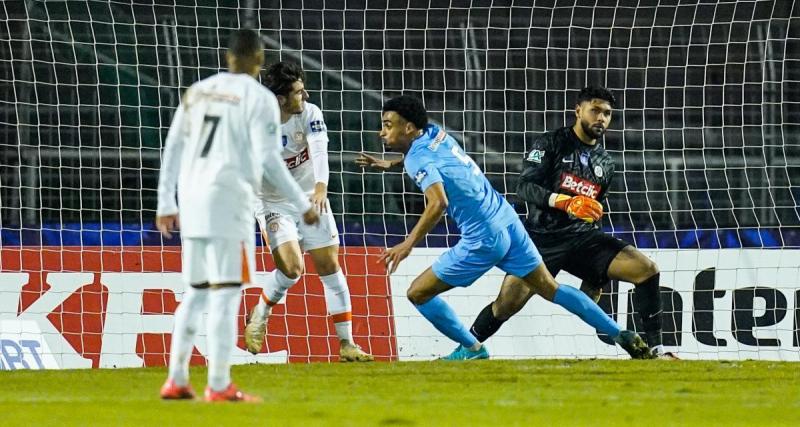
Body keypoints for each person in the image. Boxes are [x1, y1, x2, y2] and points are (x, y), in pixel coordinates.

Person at [355, 95, 652, 361]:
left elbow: (438, 203)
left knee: (417, 293)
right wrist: (389, 163)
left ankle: (472, 349)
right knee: (551, 288)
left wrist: (407, 244)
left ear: (408, 128)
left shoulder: (418, 157)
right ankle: (621, 334)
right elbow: (432, 160)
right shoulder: (434, 132)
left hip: (483, 236)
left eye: (388, 125)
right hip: (507, 219)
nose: (382, 131)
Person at [156, 29, 319, 402]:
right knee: (227, 294)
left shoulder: (197, 91)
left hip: (192, 204)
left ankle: (177, 379)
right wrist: (303, 202)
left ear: (228, 58)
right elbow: (267, 159)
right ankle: (218, 385)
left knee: (195, 292)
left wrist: (167, 201)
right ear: (258, 61)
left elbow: (174, 146)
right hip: (229, 203)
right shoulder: (259, 98)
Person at [466, 86, 676, 359]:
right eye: (595, 110)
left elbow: (593, 211)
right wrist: (563, 201)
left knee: (646, 269)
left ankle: (657, 351)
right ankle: (466, 348)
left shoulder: (605, 162)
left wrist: (596, 274)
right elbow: (525, 187)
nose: (601, 118)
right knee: (506, 304)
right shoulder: (550, 143)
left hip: (583, 239)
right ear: (578, 111)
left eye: (608, 113)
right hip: (541, 240)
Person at [244, 62, 373, 362]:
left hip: (309, 197)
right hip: (271, 201)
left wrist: (320, 187)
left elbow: (318, 149)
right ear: (280, 99)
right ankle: (261, 311)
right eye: (298, 93)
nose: (305, 96)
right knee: (292, 269)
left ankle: (347, 344)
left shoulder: (310, 113)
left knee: (329, 266)